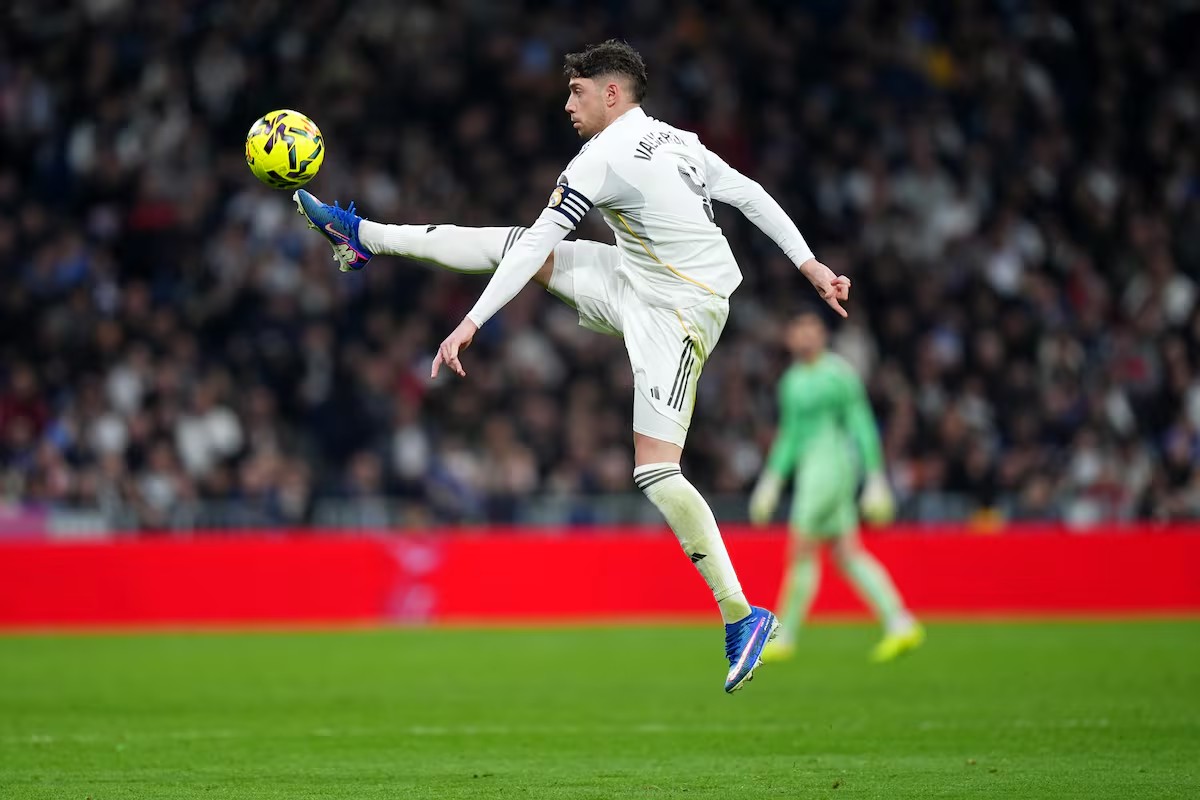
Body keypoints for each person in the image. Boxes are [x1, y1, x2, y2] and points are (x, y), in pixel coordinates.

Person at [294, 40, 851, 693]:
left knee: (655, 469)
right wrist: (809, 264)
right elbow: (751, 195)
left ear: (612, 93)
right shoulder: (680, 141)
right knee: (509, 243)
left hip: (680, 313)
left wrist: (471, 323)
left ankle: (741, 614)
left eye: (577, 92)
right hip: (634, 280)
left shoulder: (603, 158)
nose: (567, 104)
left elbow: (547, 239)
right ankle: (364, 236)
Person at [749, 310, 924, 663]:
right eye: (799, 329)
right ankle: (900, 622)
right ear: (789, 338)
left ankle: (785, 637)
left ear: (823, 335)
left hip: (830, 469)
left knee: (801, 550)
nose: (806, 335)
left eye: (812, 328)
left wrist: (875, 476)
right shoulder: (791, 382)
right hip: (812, 468)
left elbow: (861, 423)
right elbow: (790, 436)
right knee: (847, 554)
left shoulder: (838, 374)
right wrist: (771, 480)